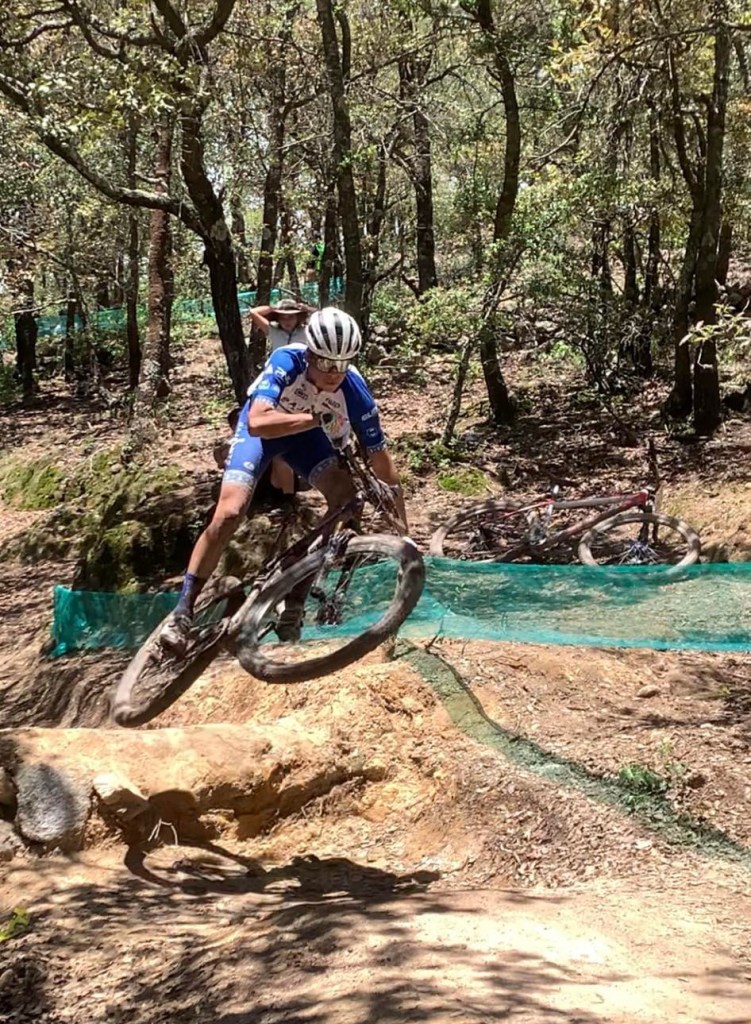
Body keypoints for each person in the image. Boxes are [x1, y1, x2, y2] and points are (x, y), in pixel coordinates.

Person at [160, 307, 408, 654]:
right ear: (310, 354)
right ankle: (181, 611)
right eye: (326, 363)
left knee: (348, 499)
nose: (334, 373)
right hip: (263, 433)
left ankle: (296, 588)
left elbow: (381, 461)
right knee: (230, 513)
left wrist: (404, 529)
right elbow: (258, 423)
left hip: (306, 439)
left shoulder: (355, 391)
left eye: (342, 364)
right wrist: (314, 418)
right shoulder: (287, 360)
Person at [248, 297, 313, 493]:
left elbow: (320, 316)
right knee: (280, 438)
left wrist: (304, 308)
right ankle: (287, 492)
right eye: (283, 316)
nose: (287, 320)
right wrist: (274, 308)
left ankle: (302, 478)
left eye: (291, 316)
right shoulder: (273, 331)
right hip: (278, 387)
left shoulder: (307, 332)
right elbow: (254, 313)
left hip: (303, 387)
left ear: (298, 317)